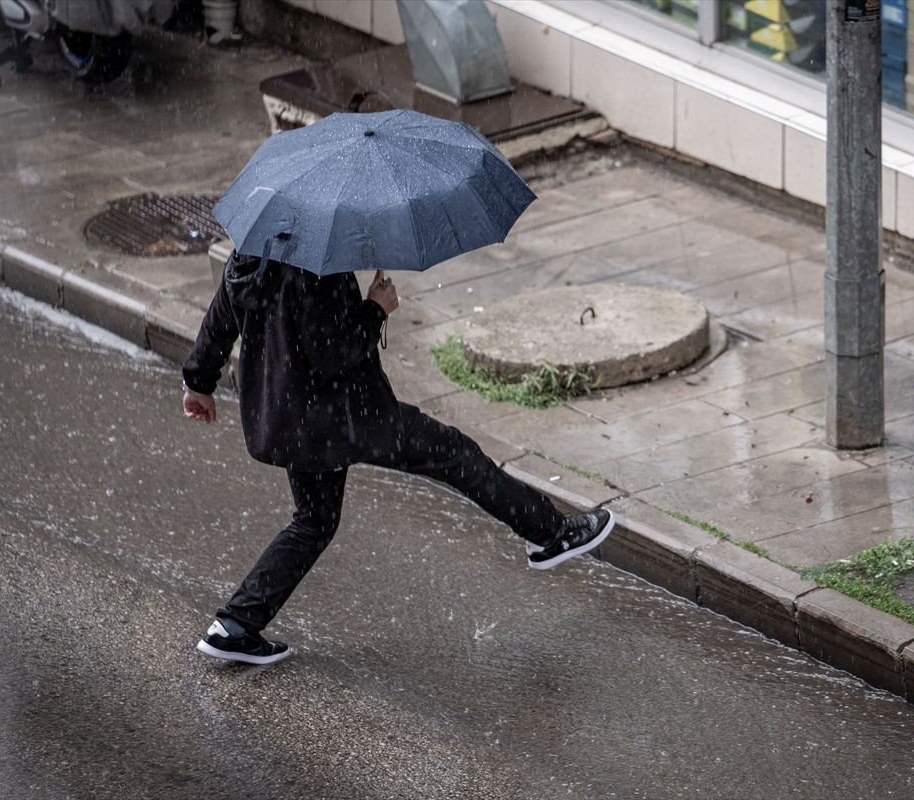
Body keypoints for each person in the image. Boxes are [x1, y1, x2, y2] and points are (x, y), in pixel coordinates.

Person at [182, 252, 615, 665]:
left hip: (291, 417)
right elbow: (333, 353)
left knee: (313, 522)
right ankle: (549, 533)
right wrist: (376, 309)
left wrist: (198, 382)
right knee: (452, 452)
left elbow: (221, 315)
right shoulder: (316, 268)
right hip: (346, 417)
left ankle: (235, 625)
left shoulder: (252, 251)